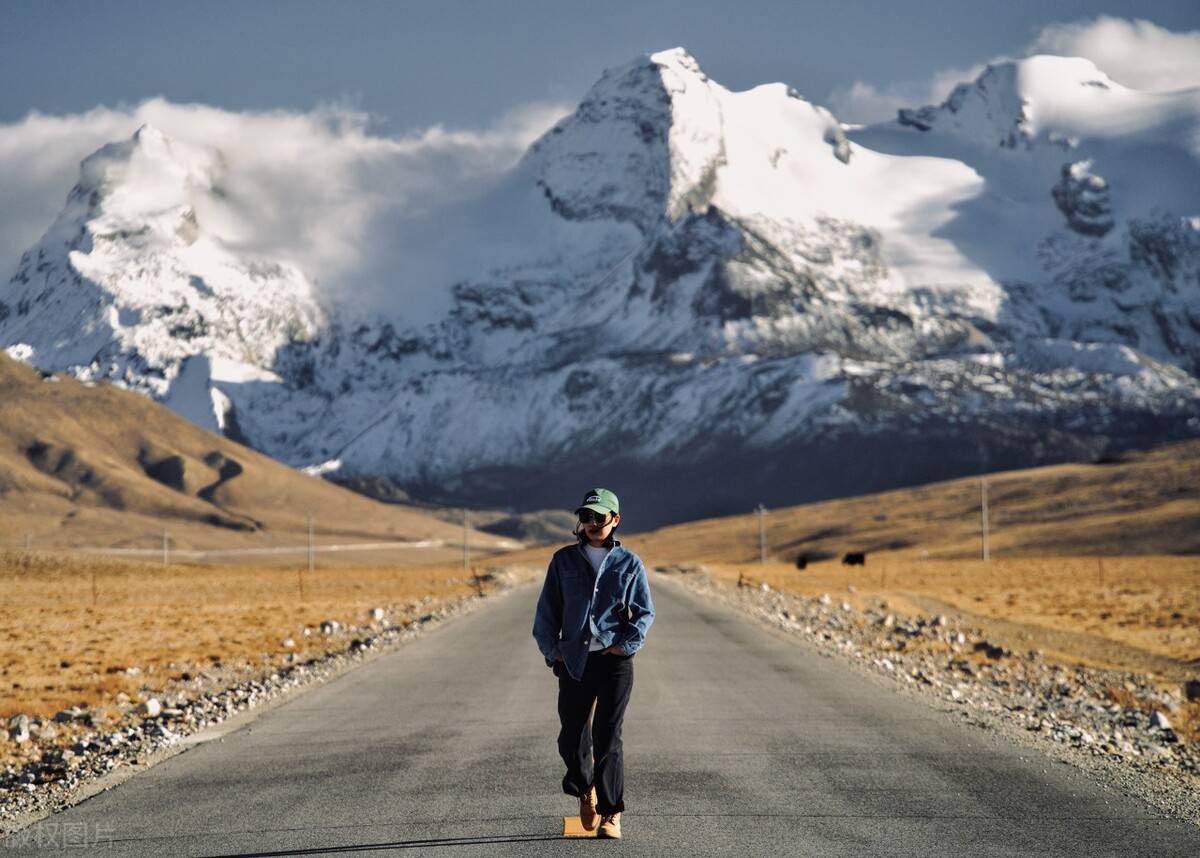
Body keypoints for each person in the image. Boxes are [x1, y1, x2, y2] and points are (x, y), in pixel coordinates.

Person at [532, 488, 655, 840]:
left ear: (614, 520)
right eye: (586, 517)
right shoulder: (563, 561)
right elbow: (546, 614)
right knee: (571, 738)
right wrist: (553, 651)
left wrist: (626, 645)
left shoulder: (630, 563)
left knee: (608, 737)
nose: (591, 523)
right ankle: (586, 789)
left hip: (614, 662)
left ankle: (611, 813)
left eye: (599, 517)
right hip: (574, 660)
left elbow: (644, 612)